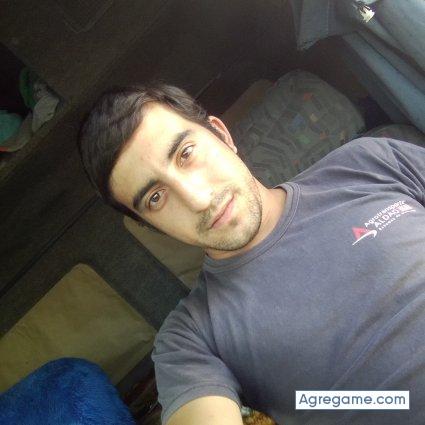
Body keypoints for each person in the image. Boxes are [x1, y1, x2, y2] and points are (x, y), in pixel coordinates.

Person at [78, 83, 425, 425]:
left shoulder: (368, 163)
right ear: (151, 225)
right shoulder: (189, 339)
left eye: (186, 154)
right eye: (156, 198)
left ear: (221, 134)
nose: (198, 199)